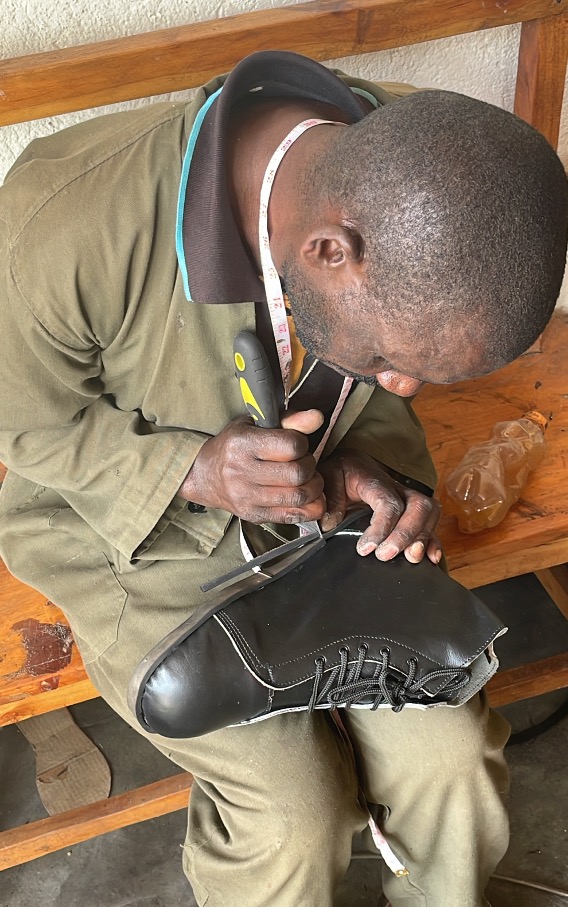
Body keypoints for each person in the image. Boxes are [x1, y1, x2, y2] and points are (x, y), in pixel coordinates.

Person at [0, 49, 567, 907]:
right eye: (386, 360)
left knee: (455, 762)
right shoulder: (63, 224)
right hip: (132, 531)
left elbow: (377, 398)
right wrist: (192, 468)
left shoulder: (428, 160)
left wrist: (368, 466)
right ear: (329, 250)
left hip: (326, 509)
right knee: (290, 818)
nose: (400, 385)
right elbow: (22, 424)